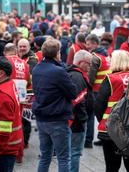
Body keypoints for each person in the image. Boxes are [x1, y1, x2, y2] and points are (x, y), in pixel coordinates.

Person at [32, 39, 78, 172]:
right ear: (57, 54)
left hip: (42, 118)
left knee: (45, 156)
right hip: (57, 118)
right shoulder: (58, 71)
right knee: (63, 158)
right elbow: (72, 92)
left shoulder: (36, 68)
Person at [95, 50, 129, 172]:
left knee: (112, 166)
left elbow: (99, 105)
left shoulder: (110, 79)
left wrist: (103, 120)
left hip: (111, 130)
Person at [67, 50, 94, 172]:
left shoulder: (75, 75)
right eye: (88, 63)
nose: (90, 66)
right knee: (75, 153)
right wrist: (83, 118)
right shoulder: (77, 76)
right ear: (80, 62)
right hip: (77, 122)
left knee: (72, 152)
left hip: (75, 121)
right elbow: (77, 101)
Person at [85, 33, 111, 148]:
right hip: (106, 90)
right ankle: (105, 136)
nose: (87, 46)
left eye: (89, 44)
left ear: (95, 44)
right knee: (104, 115)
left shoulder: (95, 57)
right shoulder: (106, 55)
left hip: (95, 90)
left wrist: (85, 86)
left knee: (91, 115)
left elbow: (91, 77)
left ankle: (88, 141)